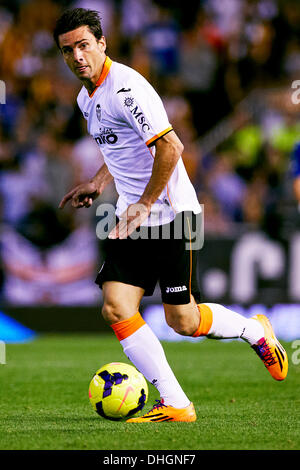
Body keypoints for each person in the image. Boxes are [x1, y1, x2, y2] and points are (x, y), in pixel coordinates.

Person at [54, 8, 288, 423]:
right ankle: (177, 403)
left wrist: (144, 204)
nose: (77, 56)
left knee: (184, 319)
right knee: (116, 307)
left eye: (84, 45)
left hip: (172, 215)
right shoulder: (85, 97)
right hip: (133, 217)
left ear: (102, 43)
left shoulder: (127, 88)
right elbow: (124, 147)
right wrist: (98, 181)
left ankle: (255, 331)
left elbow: (171, 148)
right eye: (68, 50)